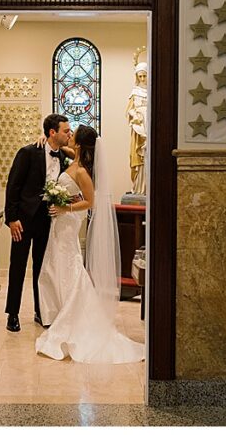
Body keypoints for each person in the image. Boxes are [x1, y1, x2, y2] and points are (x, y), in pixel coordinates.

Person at [35, 125, 145, 363]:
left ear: (80, 144)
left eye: (73, 135)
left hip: (69, 221)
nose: (70, 135)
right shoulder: (74, 157)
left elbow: (91, 202)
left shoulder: (83, 171)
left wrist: (65, 207)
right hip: (60, 222)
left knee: (69, 264)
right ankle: (62, 310)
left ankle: (72, 314)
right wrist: (45, 138)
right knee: (55, 267)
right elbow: (62, 145)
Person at [3, 114, 74, 332]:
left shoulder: (63, 156)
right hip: (23, 219)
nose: (69, 134)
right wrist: (12, 219)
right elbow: (13, 186)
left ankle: (40, 310)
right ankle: (12, 314)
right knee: (18, 265)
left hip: (48, 218)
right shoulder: (28, 152)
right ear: (52, 132)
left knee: (42, 267)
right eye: (65, 130)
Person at [127, 63, 148, 194]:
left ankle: (148, 187)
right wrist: (135, 115)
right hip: (139, 125)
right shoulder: (135, 92)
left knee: (148, 155)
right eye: (139, 76)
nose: (142, 78)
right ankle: (138, 187)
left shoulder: (153, 90)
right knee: (138, 155)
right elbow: (129, 110)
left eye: (144, 76)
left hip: (149, 123)